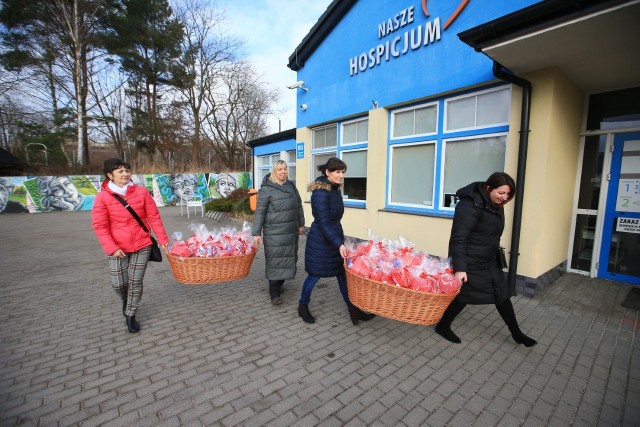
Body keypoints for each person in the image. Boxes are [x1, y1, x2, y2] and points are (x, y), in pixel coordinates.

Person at [435, 172, 537, 347]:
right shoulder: (468, 205)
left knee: (501, 294)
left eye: (508, 194)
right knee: (463, 296)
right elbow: (459, 238)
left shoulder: (495, 204)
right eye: (501, 193)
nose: (504, 198)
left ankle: (517, 333)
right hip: (470, 260)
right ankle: (443, 326)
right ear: (489, 188)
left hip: (489, 260)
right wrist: (460, 268)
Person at [92, 158, 169, 334]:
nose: (125, 174)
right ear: (110, 175)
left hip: (142, 244)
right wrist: (112, 248)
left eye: (127, 170)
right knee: (118, 283)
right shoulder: (103, 197)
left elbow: (154, 217)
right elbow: (100, 226)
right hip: (118, 248)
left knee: (135, 281)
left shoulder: (141, 192)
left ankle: (130, 314)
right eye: (120, 171)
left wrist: (163, 239)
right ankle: (126, 301)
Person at [298, 157, 375, 326]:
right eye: (338, 172)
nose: (341, 175)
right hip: (320, 242)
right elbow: (324, 222)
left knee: (342, 275)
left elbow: (334, 220)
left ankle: (353, 310)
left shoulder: (335, 189)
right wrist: (339, 243)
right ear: (327, 172)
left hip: (334, 239)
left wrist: (340, 241)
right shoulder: (320, 193)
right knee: (314, 275)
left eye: (343, 172)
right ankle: (303, 306)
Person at [252, 160, 305, 305]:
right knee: (275, 262)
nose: (284, 172)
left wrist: (301, 224)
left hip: (290, 232)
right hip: (274, 233)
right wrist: (256, 232)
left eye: (285, 169)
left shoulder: (291, 185)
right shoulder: (266, 189)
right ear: (274, 171)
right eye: (280, 169)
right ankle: (274, 293)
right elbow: (260, 212)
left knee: (287, 260)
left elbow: (299, 206)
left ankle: (279, 286)